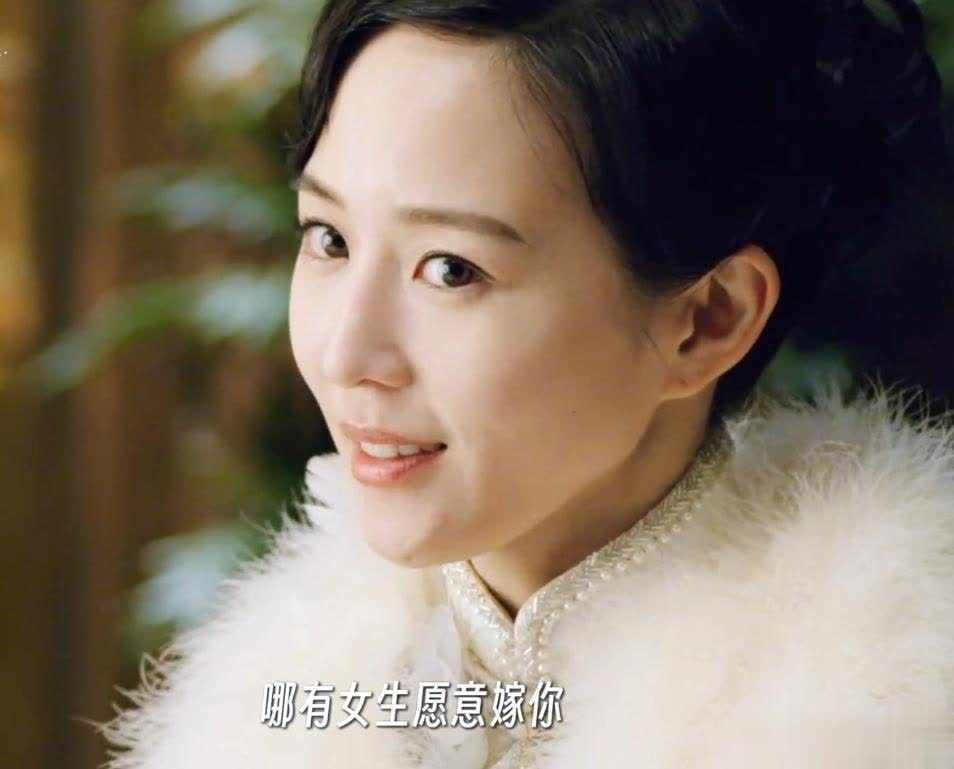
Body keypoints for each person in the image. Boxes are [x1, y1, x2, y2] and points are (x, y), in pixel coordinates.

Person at [96, 0, 954, 767]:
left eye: (452, 268)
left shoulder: (879, 707)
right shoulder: (269, 704)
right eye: (329, 238)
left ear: (708, 319)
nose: (345, 352)